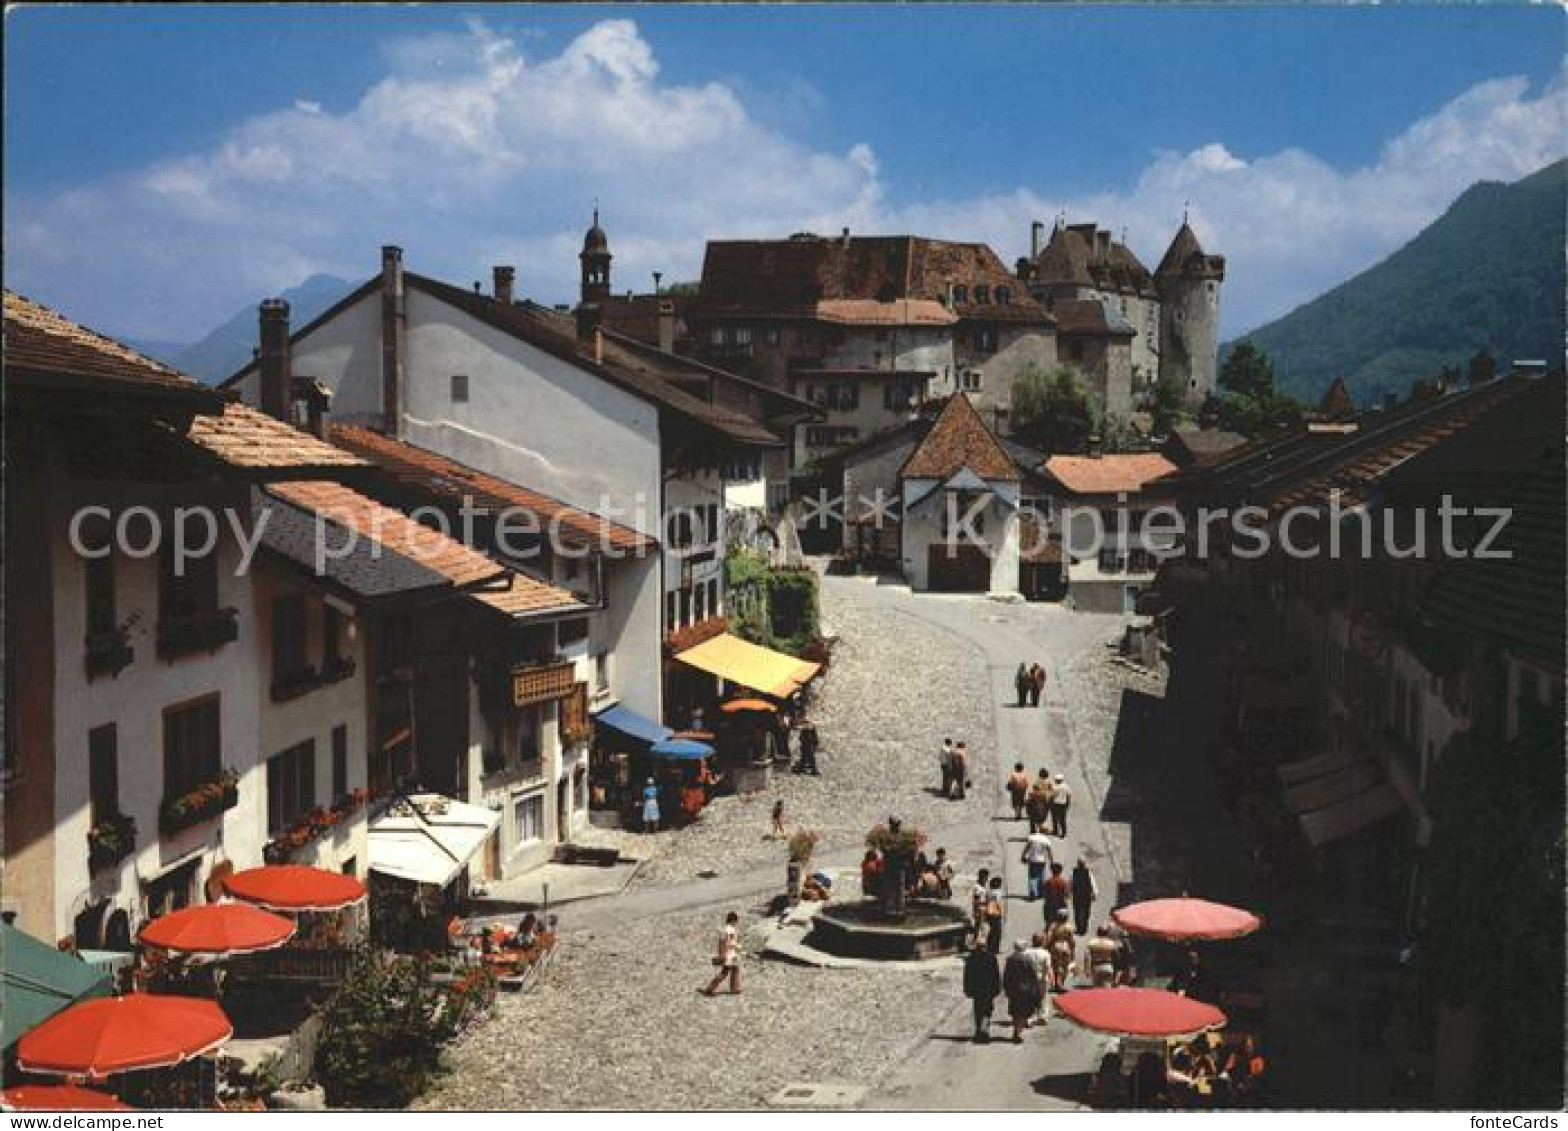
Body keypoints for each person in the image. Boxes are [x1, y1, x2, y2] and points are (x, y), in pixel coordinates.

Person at [1003, 940, 1043, 1043]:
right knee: (1023, 1012)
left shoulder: (1010, 959)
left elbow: (1006, 976)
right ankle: (1018, 1032)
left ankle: (1016, 1029)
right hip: (1026, 990)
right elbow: (1033, 975)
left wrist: (1006, 988)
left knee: (1015, 1011)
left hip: (1013, 989)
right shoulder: (1028, 960)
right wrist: (1036, 988)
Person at [962, 945, 1001, 1042]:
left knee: (978, 1011)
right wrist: (997, 988)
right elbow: (996, 974)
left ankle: (979, 1031)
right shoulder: (991, 958)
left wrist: (967, 989)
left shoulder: (971, 959)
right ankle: (984, 1031)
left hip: (977, 990)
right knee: (986, 1012)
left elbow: (967, 976)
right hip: (988, 990)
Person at [700, 911, 742, 996]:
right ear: (733, 920)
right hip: (730, 954)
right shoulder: (730, 930)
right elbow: (728, 942)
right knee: (725, 972)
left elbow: (723, 942)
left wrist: (722, 953)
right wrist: (737, 946)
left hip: (729, 953)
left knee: (735, 969)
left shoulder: (725, 929)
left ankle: (735, 988)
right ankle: (710, 988)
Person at [1047, 908, 1077, 991]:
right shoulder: (1070, 927)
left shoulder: (1053, 926)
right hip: (1065, 946)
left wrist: (1048, 946)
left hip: (1055, 946)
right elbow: (1072, 940)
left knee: (1055, 965)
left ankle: (1056, 982)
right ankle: (1061, 982)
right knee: (1065, 966)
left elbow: (1049, 938)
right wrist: (1073, 950)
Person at [1022, 828, 1054, 900]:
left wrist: (1023, 856)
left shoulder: (1032, 838)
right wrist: (1052, 861)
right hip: (1042, 861)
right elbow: (1049, 852)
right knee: (1041, 877)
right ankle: (1041, 893)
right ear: (1045, 833)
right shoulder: (1046, 840)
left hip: (1033, 860)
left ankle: (1033, 892)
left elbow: (1027, 848)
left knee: (1033, 877)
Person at [1070, 859, 1097, 936]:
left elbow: (1070, 883)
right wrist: (1094, 894)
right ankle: (1083, 928)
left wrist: (1069, 893)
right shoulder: (1088, 872)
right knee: (1085, 912)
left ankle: (1079, 927)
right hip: (1085, 896)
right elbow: (1093, 884)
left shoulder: (1074, 872)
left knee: (1078, 912)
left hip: (1078, 895)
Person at [1026, 770, 1054, 835]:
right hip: (1044, 801)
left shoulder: (1037, 782)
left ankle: (1035, 830)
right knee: (1042, 815)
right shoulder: (1048, 782)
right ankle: (1041, 827)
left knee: (1033, 816)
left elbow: (1029, 799)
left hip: (1035, 802)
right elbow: (1051, 791)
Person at [984, 876, 1006, 953]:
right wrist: (1001, 913)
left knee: (991, 931)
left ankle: (989, 947)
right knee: (997, 932)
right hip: (996, 914)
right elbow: (998, 903)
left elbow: (986, 902)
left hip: (988, 913)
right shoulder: (998, 893)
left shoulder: (988, 892)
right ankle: (995, 949)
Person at [969, 868, 991, 945]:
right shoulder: (977, 887)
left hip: (984, 909)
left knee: (982, 927)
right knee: (978, 927)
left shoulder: (984, 886)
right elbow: (976, 901)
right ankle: (976, 942)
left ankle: (979, 942)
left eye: (987, 877)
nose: (986, 879)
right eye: (985, 877)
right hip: (979, 910)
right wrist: (985, 902)